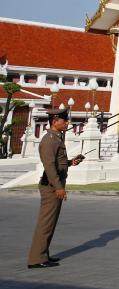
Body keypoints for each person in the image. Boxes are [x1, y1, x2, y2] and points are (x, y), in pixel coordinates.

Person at [27, 107, 84, 269]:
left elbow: (58, 163)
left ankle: (42, 254)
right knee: (45, 223)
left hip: (55, 184)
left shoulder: (56, 138)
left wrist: (71, 162)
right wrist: (59, 188)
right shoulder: (49, 140)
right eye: (64, 120)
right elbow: (50, 166)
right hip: (51, 186)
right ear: (55, 121)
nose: (66, 123)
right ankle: (36, 259)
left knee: (50, 223)